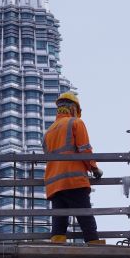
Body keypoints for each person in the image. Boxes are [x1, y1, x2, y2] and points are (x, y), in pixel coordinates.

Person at [43, 91, 105, 245]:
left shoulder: (48, 132)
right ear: (73, 108)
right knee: (85, 215)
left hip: (54, 184)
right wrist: (94, 169)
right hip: (73, 180)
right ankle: (94, 244)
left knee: (59, 220)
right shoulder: (75, 123)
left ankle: (57, 246)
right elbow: (84, 149)